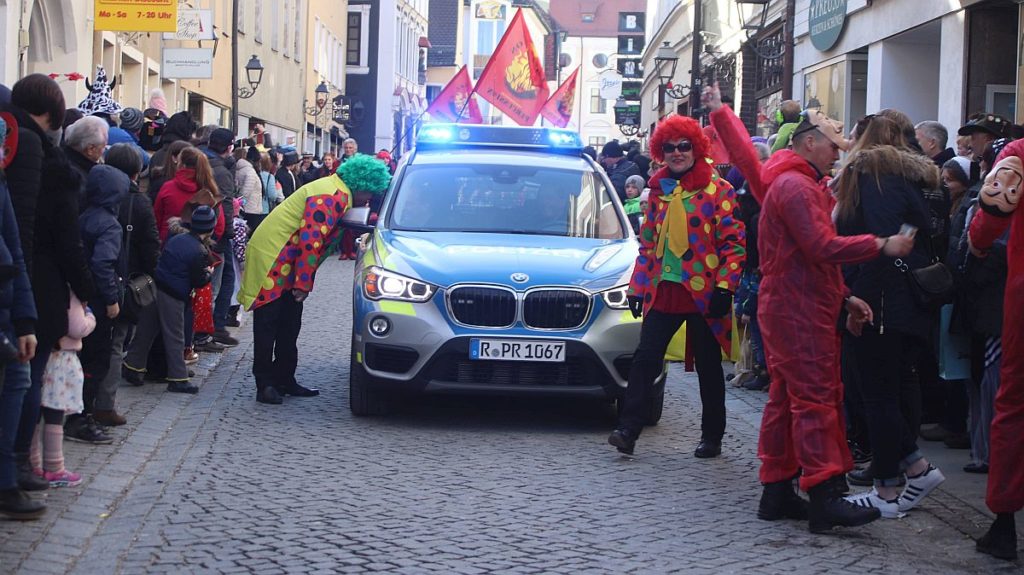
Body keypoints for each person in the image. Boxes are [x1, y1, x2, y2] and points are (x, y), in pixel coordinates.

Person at [752, 108, 915, 533]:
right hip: (798, 308)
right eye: (831, 140)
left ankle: (777, 492)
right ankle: (825, 495)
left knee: (787, 400)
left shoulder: (793, 183)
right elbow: (821, 247)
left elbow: (807, 257)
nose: (837, 148)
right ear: (809, 143)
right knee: (816, 400)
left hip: (794, 303)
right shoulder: (797, 186)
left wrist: (845, 297)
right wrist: (881, 244)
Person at [607, 113, 746, 459]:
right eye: (669, 148)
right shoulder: (657, 191)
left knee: (708, 366)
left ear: (696, 148)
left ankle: (712, 435)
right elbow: (649, 245)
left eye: (684, 146)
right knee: (645, 359)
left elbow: (734, 243)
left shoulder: (719, 189)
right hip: (664, 288)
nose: (677, 153)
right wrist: (637, 288)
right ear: (660, 151)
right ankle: (628, 429)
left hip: (704, 291)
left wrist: (726, 288)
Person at [833, 115, 946, 518]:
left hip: (881, 301)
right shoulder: (910, 177)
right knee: (888, 391)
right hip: (902, 301)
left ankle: (887, 488)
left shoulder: (874, 178)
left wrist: (857, 300)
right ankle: (915, 469)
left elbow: (882, 246)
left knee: (876, 394)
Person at [237, 155, 388, 404]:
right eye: (369, 194)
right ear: (361, 185)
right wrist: (303, 283)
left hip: (288, 260)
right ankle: (264, 384)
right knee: (268, 324)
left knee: (290, 323)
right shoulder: (330, 195)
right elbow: (311, 240)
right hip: (274, 258)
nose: (368, 200)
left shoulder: (336, 189)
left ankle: (285, 379)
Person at [968, 139, 1024, 561]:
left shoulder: (1019, 153)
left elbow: (990, 216)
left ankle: (1004, 521)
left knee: (1014, 406)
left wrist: (979, 244)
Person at [124, 206, 217, 394]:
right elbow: (199, 281)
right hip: (173, 295)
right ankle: (178, 378)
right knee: (175, 336)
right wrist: (209, 273)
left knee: (145, 332)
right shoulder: (198, 250)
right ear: (210, 229)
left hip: (156, 287)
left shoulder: (177, 239)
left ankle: (132, 367)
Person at [0, 114, 42, 518]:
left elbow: (15, 249)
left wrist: (26, 319)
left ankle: (7, 479)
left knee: (18, 380)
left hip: (9, 306)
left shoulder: (2, 184)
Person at [102, 143, 158, 401]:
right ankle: (104, 403)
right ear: (137, 172)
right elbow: (150, 246)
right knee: (116, 341)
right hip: (126, 280)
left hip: (96, 275)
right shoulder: (138, 202)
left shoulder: (92, 192)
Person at [75, 164, 129, 429]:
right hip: (98, 298)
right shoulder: (109, 225)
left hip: (82, 297)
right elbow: (103, 263)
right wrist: (111, 300)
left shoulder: (84, 215)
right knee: (97, 360)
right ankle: (85, 414)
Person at [31, 292, 94, 488]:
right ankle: (54, 467)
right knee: (55, 414)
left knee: (36, 412)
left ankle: (33, 463)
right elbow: (77, 327)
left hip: (46, 357)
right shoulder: (70, 293)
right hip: (62, 359)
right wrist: (91, 317)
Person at [63, 116, 109, 207]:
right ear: (90, 149)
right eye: (104, 146)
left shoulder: (60, 158)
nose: (105, 150)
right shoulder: (79, 178)